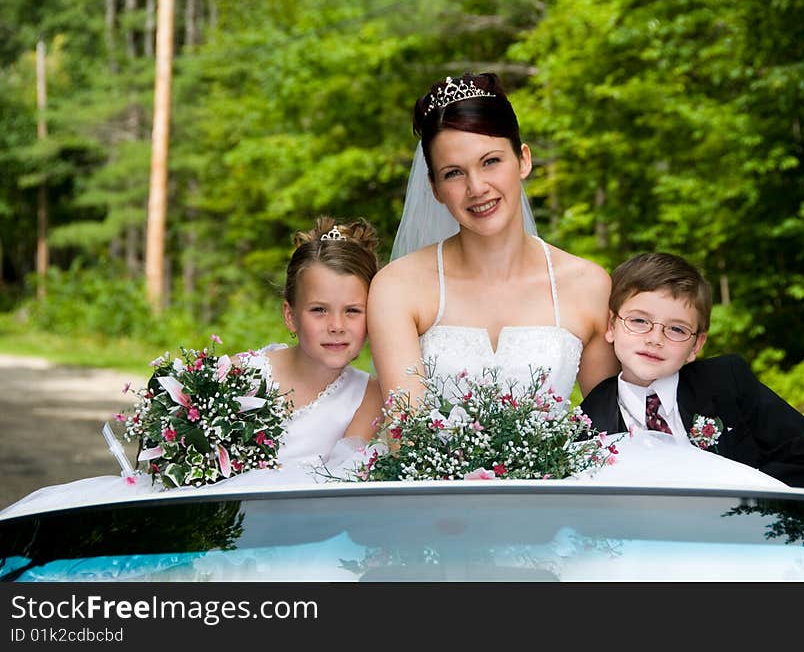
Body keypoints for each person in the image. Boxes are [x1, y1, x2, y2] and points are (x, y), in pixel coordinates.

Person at [0, 217, 384, 517]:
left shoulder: (369, 395)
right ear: (290, 315)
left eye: (353, 311)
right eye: (319, 310)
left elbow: (341, 483)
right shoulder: (238, 374)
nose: (337, 325)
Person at [367, 72, 619, 408]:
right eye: (453, 173)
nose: (477, 187)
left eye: (491, 162)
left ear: (523, 160)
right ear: (434, 188)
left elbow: (609, 430)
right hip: (431, 461)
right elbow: (406, 435)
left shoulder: (589, 286)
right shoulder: (397, 287)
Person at [579, 252, 804, 489]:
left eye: (676, 329)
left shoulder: (726, 382)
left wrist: (744, 505)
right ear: (612, 326)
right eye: (639, 321)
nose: (655, 339)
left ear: (695, 345)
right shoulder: (589, 418)